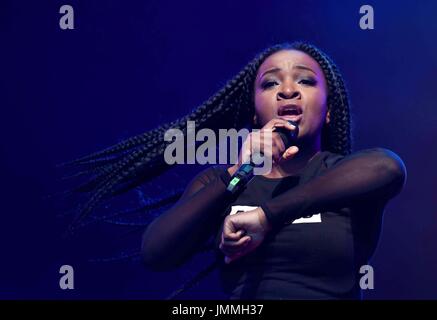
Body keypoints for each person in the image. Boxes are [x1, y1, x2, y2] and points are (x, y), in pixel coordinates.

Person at [65, 42, 407, 299]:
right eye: (271, 84)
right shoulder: (222, 182)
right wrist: (239, 172)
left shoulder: (346, 176)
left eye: (305, 81)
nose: (288, 89)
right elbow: (156, 253)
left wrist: (267, 217)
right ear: (255, 115)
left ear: (329, 112)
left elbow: (387, 166)